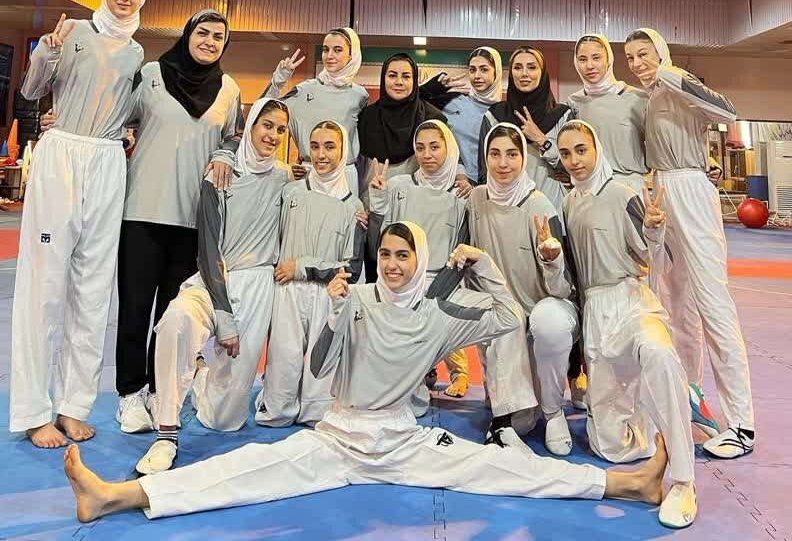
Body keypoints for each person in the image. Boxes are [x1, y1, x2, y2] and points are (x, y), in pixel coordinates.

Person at [63, 223, 672, 524]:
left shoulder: (439, 314)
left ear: (420, 260)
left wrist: (483, 263)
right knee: (242, 472)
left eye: (404, 255)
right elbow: (320, 366)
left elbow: (510, 317)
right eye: (386, 254)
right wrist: (333, 314)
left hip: (402, 442)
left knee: (509, 471)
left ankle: (630, 486)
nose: (394, 263)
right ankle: (114, 495)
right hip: (337, 437)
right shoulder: (355, 299)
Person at [10, 0, 147, 448]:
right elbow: (30, 91)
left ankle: (73, 406)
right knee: (44, 285)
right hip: (62, 154)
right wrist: (46, 51)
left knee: (93, 289)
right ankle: (33, 411)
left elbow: (129, 112)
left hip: (108, 161)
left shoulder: (137, 53)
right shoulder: (73, 32)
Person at [134, 98, 291, 475]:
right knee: (175, 321)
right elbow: (208, 249)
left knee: (224, 420)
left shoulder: (285, 177)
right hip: (213, 277)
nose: (272, 135)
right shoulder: (219, 174)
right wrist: (224, 317)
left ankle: (202, 375)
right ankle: (166, 433)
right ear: (250, 127)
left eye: (281, 129)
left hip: (258, 286)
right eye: (266, 125)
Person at [557, 120, 696, 529]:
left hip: (631, 299)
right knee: (611, 448)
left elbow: (659, 260)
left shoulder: (622, 193)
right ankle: (673, 410)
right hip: (595, 312)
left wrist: (655, 230)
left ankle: (684, 480)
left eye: (581, 150)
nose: (574, 160)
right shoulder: (569, 203)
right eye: (565, 153)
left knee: (659, 354)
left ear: (596, 148)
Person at [624, 28, 754, 458]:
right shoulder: (643, 99)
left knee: (712, 302)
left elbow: (728, 112)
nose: (637, 63)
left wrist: (669, 72)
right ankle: (689, 395)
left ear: (660, 52)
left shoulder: (679, 81)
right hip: (659, 190)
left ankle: (741, 423)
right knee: (672, 302)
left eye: (644, 54)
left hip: (692, 190)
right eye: (630, 57)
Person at [115, 10, 244, 433]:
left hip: (192, 219)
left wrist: (224, 153)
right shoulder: (152, 75)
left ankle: (159, 392)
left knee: (172, 316)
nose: (210, 41)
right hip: (143, 210)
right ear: (188, 35)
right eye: (203, 33)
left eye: (218, 37)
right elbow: (117, 117)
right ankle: (129, 394)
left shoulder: (229, 89)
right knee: (135, 309)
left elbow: (235, 136)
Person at [469, 123, 579, 456]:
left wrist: (551, 260)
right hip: (504, 323)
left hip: (541, 312)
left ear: (524, 158)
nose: (503, 163)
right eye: (495, 154)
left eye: (512, 154)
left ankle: (554, 411)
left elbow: (563, 289)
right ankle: (512, 405)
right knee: (519, 423)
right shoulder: (476, 199)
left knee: (549, 321)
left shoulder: (540, 206)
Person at [254, 120, 365, 427]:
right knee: (283, 361)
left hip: (326, 295)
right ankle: (276, 406)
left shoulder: (354, 207)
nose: (321, 155)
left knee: (320, 377)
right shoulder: (291, 192)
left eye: (329, 147)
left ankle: (316, 411)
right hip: (286, 290)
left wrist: (303, 266)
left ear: (343, 151)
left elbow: (351, 269)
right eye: (315, 146)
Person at [367, 120, 470, 400]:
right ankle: (415, 377)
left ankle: (459, 373)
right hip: (401, 278)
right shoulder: (398, 186)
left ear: (448, 148)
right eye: (420, 148)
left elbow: (463, 244)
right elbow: (381, 235)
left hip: (442, 277)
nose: (427, 154)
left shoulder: (461, 196)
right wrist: (376, 204)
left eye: (434, 147)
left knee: (443, 318)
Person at [358, 53, 462, 280]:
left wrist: (462, 177)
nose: (399, 82)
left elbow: (449, 153)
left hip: (413, 211)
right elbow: (355, 163)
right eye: (392, 75)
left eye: (406, 76)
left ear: (415, 81)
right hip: (371, 209)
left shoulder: (431, 117)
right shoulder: (367, 116)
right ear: (383, 78)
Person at [262, 27, 369, 193]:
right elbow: (263, 113)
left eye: (338, 50)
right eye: (325, 50)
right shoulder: (304, 90)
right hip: (308, 175)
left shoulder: (360, 95)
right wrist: (278, 80)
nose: (330, 55)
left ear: (351, 55)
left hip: (345, 178)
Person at [478, 46, 572, 220]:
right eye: (518, 67)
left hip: (551, 211)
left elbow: (573, 166)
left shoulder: (562, 115)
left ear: (542, 73)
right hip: (506, 211)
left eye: (532, 67)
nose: (524, 74)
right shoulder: (494, 116)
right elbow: (485, 172)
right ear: (510, 73)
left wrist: (541, 140)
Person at [567, 34, 648, 194]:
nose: (589, 65)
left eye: (596, 58)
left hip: (629, 187)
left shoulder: (637, 98)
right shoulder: (574, 102)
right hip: (589, 188)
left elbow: (658, 144)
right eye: (582, 59)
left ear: (608, 60)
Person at [421, 47, 504, 183]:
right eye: (472, 70)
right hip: (450, 183)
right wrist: (433, 88)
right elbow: (411, 103)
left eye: (484, 70)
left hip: (488, 186)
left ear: (497, 72)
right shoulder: (452, 100)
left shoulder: (503, 113)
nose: (477, 76)